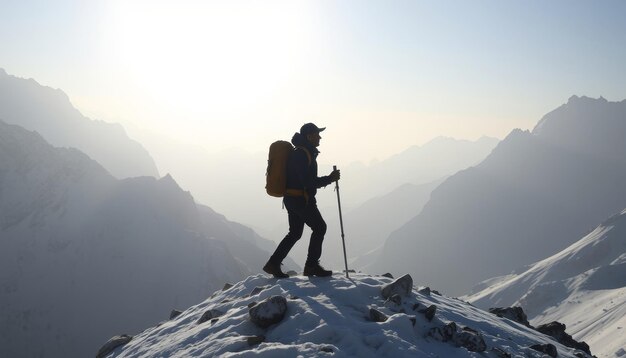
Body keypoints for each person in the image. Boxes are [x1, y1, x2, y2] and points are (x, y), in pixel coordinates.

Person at [263, 123, 341, 278]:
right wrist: (330, 179)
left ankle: (273, 264)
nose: (320, 137)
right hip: (300, 200)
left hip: (293, 199)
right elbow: (308, 182)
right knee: (320, 228)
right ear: (309, 136)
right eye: (317, 134)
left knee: (295, 233)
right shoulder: (301, 154)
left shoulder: (303, 152)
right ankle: (311, 266)